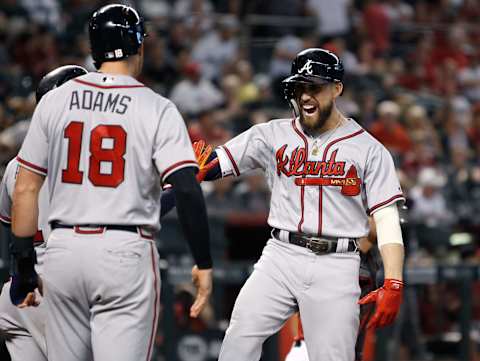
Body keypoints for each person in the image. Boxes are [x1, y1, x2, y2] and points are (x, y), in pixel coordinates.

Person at [10, 4, 213, 361]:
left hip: (63, 252)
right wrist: (204, 263)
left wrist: (25, 266)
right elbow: (185, 188)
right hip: (124, 251)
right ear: (139, 46)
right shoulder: (156, 106)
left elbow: (25, 188)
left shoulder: (54, 101)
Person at [198, 48, 405, 361]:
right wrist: (193, 170)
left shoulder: (368, 149)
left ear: (337, 88)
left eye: (315, 87)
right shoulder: (272, 134)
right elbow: (214, 164)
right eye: (300, 87)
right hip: (280, 256)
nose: (306, 96)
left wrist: (394, 280)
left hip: (336, 264)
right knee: (239, 337)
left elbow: (387, 220)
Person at [0, 65, 88, 361]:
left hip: (17, 292)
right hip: (63, 288)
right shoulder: (89, 163)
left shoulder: (15, 165)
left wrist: (14, 276)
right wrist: (177, 191)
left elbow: (5, 230)